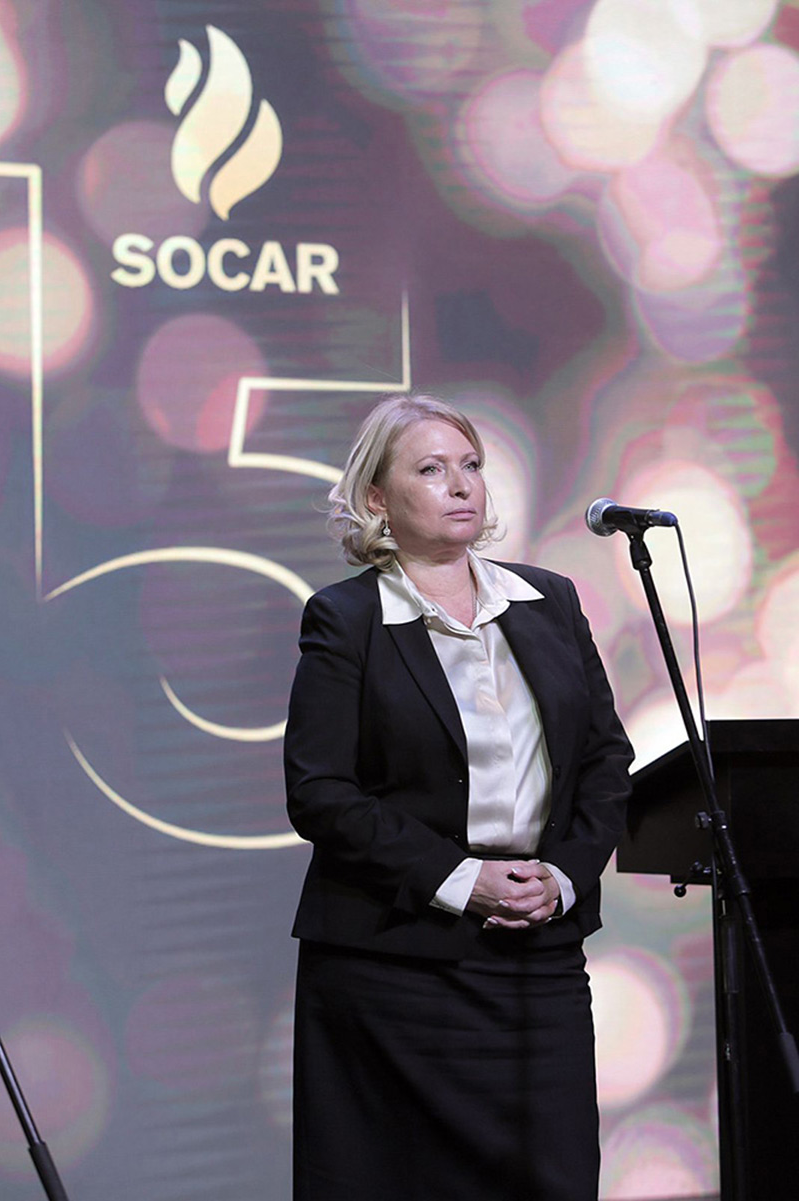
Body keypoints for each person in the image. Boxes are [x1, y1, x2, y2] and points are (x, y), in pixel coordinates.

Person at [284, 393, 634, 1201]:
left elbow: (606, 759)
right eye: (432, 469)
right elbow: (320, 791)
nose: (460, 484)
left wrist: (564, 876)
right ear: (378, 498)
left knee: (554, 1175)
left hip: (538, 957)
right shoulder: (345, 619)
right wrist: (461, 878)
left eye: (470, 464)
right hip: (396, 964)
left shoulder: (551, 601)